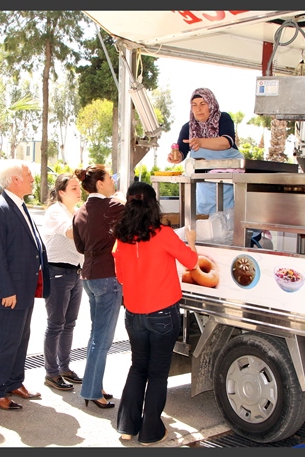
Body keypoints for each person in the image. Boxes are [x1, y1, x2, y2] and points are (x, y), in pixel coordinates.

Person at [112, 182, 199, 445]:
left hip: (134, 314)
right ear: (153, 204)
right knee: (158, 373)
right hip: (163, 314)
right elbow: (192, 262)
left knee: (138, 368)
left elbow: (121, 277)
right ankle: (150, 431)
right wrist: (192, 241)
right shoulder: (163, 234)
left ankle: (127, 426)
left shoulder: (121, 238)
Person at [0, 160, 50, 410]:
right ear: (15, 180)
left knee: (21, 337)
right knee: (6, 339)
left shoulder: (19, 205)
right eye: (29, 175)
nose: (33, 178)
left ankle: (13, 381)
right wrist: (6, 290)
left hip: (26, 287)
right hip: (11, 291)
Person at [72, 164, 125, 409]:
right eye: (110, 178)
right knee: (101, 339)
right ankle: (92, 390)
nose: (113, 181)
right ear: (100, 184)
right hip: (108, 277)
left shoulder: (80, 211)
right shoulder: (114, 207)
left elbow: (80, 247)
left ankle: (95, 385)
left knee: (96, 335)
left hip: (89, 276)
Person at [40, 173, 85, 392]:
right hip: (57, 272)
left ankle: (64, 367)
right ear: (61, 192)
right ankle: (51, 373)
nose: (79, 191)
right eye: (74, 188)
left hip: (76, 274)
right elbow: (70, 233)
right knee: (55, 324)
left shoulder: (77, 211)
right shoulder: (55, 211)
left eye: (79, 188)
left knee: (69, 324)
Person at [167, 87, 244, 215]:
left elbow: (227, 142)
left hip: (230, 182)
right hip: (205, 186)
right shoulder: (188, 128)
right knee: (208, 223)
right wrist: (176, 157)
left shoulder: (223, 119)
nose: (198, 109)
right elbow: (182, 151)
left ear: (211, 104)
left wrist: (201, 142)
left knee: (232, 218)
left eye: (203, 104)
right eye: (194, 105)